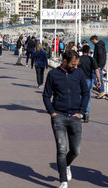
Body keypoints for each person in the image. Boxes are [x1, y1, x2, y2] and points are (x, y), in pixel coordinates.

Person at [42, 50, 89, 188]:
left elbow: (86, 93)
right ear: (64, 61)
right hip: (59, 116)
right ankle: (63, 180)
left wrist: (81, 112)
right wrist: (52, 112)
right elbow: (46, 95)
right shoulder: (53, 74)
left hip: (75, 116)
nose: (76, 67)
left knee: (76, 150)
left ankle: (67, 164)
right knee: (62, 149)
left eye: (77, 64)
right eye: (73, 64)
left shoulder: (79, 73)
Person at [78, 45, 101, 122]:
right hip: (89, 80)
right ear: (88, 51)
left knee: (80, 96)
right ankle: (86, 113)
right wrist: (99, 80)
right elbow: (97, 70)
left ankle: (81, 112)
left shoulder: (79, 59)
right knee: (88, 97)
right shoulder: (91, 59)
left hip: (80, 80)